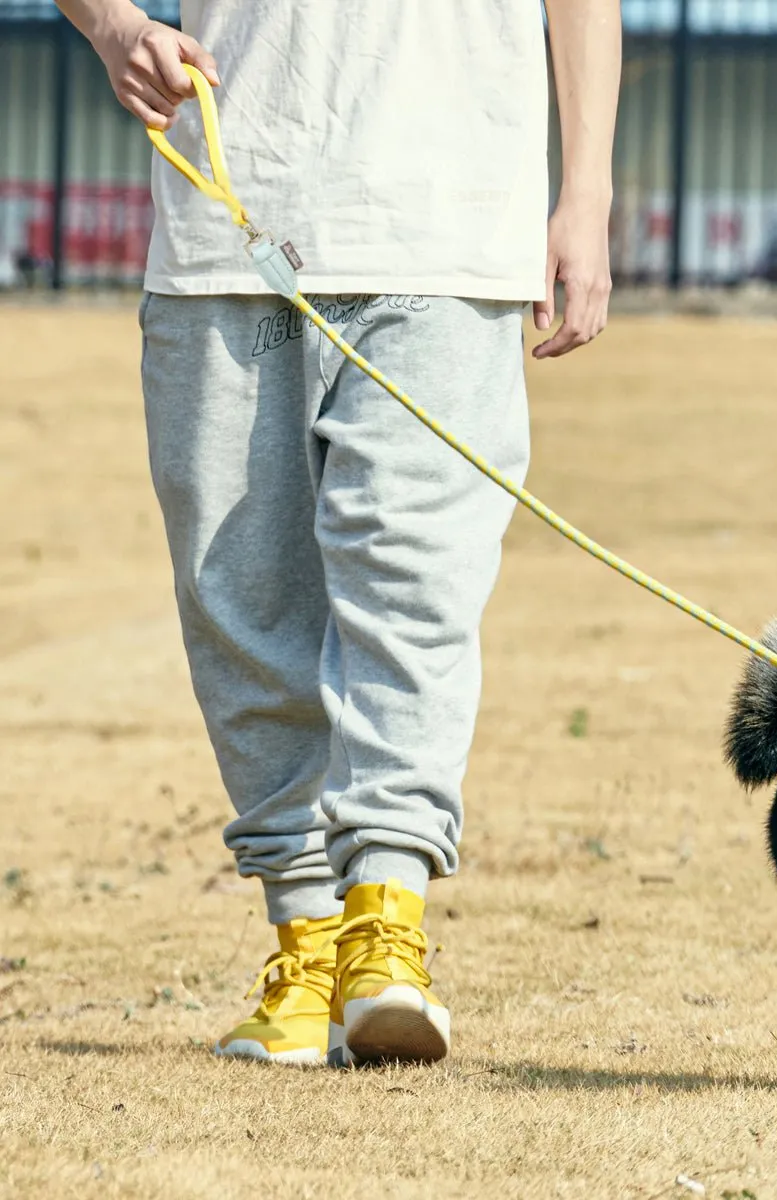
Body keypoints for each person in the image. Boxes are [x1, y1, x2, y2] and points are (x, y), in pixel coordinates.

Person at [56, 0, 620, 1068]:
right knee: (240, 599)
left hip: (451, 228)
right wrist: (116, 27)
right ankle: (306, 943)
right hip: (231, 216)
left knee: (414, 585)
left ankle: (386, 931)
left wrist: (585, 195)